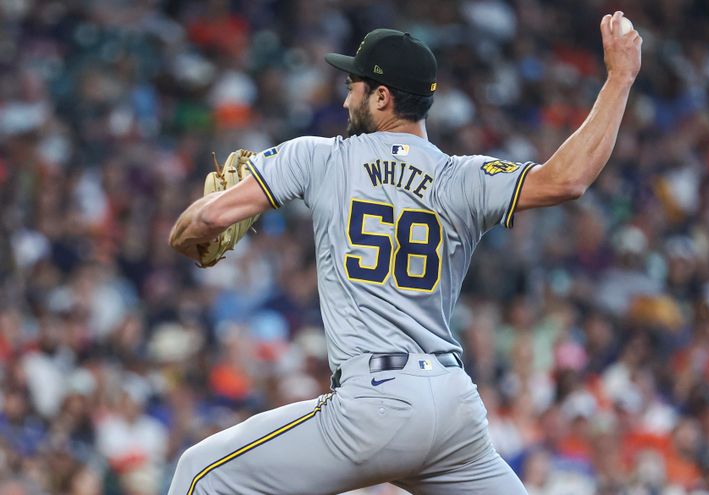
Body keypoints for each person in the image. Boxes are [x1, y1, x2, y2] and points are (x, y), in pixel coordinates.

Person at [167, 11, 641, 495]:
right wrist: (621, 78)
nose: (346, 95)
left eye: (353, 85)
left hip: (372, 404)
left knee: (199, 473)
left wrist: (183, 235)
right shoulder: (463, 176)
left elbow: (204, 222)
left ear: (381, 96)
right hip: (453, 407)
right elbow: (567, 179)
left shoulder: (320, 156)